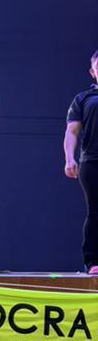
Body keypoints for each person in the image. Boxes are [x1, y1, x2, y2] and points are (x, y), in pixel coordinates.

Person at [64, 50, 98, 275]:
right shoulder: (84, 98)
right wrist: (69, 158)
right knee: (95, 211)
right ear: (92, 72)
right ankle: (93, 261)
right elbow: (72, 131)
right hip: (92, 162)